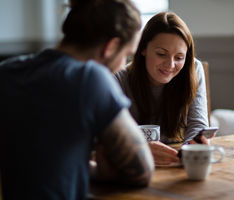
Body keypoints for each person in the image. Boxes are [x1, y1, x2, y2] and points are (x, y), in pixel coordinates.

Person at [0, 0, 154, 199]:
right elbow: (142, 170)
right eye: (126, 55)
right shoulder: (90, 77)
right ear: (110, 46)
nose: (124, 66)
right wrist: (101, 172)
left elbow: (43, 163)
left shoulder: (7, 71)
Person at [115, 11, 210, 166]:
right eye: (161, 54)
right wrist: (138, 148)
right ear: (143, 49)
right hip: (134, 164)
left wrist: (191, 149)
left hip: (175, 165)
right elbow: (109, 137)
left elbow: (198, 125)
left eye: (179, 57)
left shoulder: (193, 68)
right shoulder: (120, 78)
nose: (170, 65)